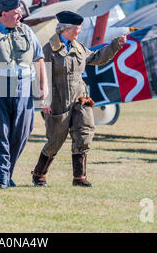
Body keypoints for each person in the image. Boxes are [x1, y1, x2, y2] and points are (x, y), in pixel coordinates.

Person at [31, 11, 126, 188]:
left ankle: (79, 177)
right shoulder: (49, 49)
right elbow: (40, 75)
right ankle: (39, 174)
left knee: (84, 133)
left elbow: (97, 58)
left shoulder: (79, 47)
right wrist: (43, 101)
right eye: (77, 28)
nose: (79, 32)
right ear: (66, 29)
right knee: (55, 141)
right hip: (58, 100)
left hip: (80, 98)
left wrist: (115, 45)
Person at [0, 0, 47, 189]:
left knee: (21, 132)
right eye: (16, 13)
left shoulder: (27, 32)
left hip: (23, 87)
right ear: (3, 13)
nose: (19, 16)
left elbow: (38, 57)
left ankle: (6, 172)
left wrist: (43, 85)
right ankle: (1, 177)